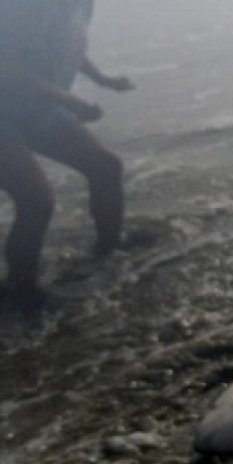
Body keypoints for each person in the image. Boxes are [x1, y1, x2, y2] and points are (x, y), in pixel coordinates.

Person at [0, 0, 134, 313]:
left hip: (36, 108)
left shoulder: (81, 4)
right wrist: (69, 100)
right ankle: (21, 290)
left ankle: (109, 250)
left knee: (105, 168)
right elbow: (6, 66)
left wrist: (102, 79)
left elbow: (65, 44)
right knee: (36, 201)